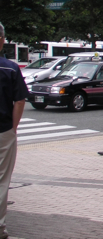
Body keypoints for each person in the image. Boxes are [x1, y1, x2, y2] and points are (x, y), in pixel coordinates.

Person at [0, 22, 27, 239]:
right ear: (1, 40)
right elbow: (19, 100)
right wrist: (13, 128)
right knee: (2, 180)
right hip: (3, 130)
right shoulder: (10, 68)